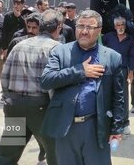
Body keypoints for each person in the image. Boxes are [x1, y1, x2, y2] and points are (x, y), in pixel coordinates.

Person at [40, 10, 126, 165]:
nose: (84, 31)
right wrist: (80, 71)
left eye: (90, 27)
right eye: (80, 26)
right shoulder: (61, 52)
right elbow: (46, 80)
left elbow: (118, 97)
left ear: (99, 30)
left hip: (96, 127)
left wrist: (117, 128)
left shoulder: (112, 57)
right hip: (66, 127)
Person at [0, 9, 62, 165]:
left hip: (15, 105)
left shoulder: (19, 45)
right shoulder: (56, 48)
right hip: (41, 107)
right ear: (58, 27)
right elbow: (55, 84)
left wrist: (9, 99)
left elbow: (5, 78)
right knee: (55, 152)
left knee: (7, 154)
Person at [102, 16, 134, 135]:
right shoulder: (107, 37)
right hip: (108, 70)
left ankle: (125, 123)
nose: (120, 27)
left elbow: (132, 56)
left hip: (123, 70)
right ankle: (110, 121)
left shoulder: (130, 39)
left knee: (123, 97)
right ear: (114, 26)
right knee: (107, 95)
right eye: (118, 25)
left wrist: (131, 72)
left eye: (122, 25)